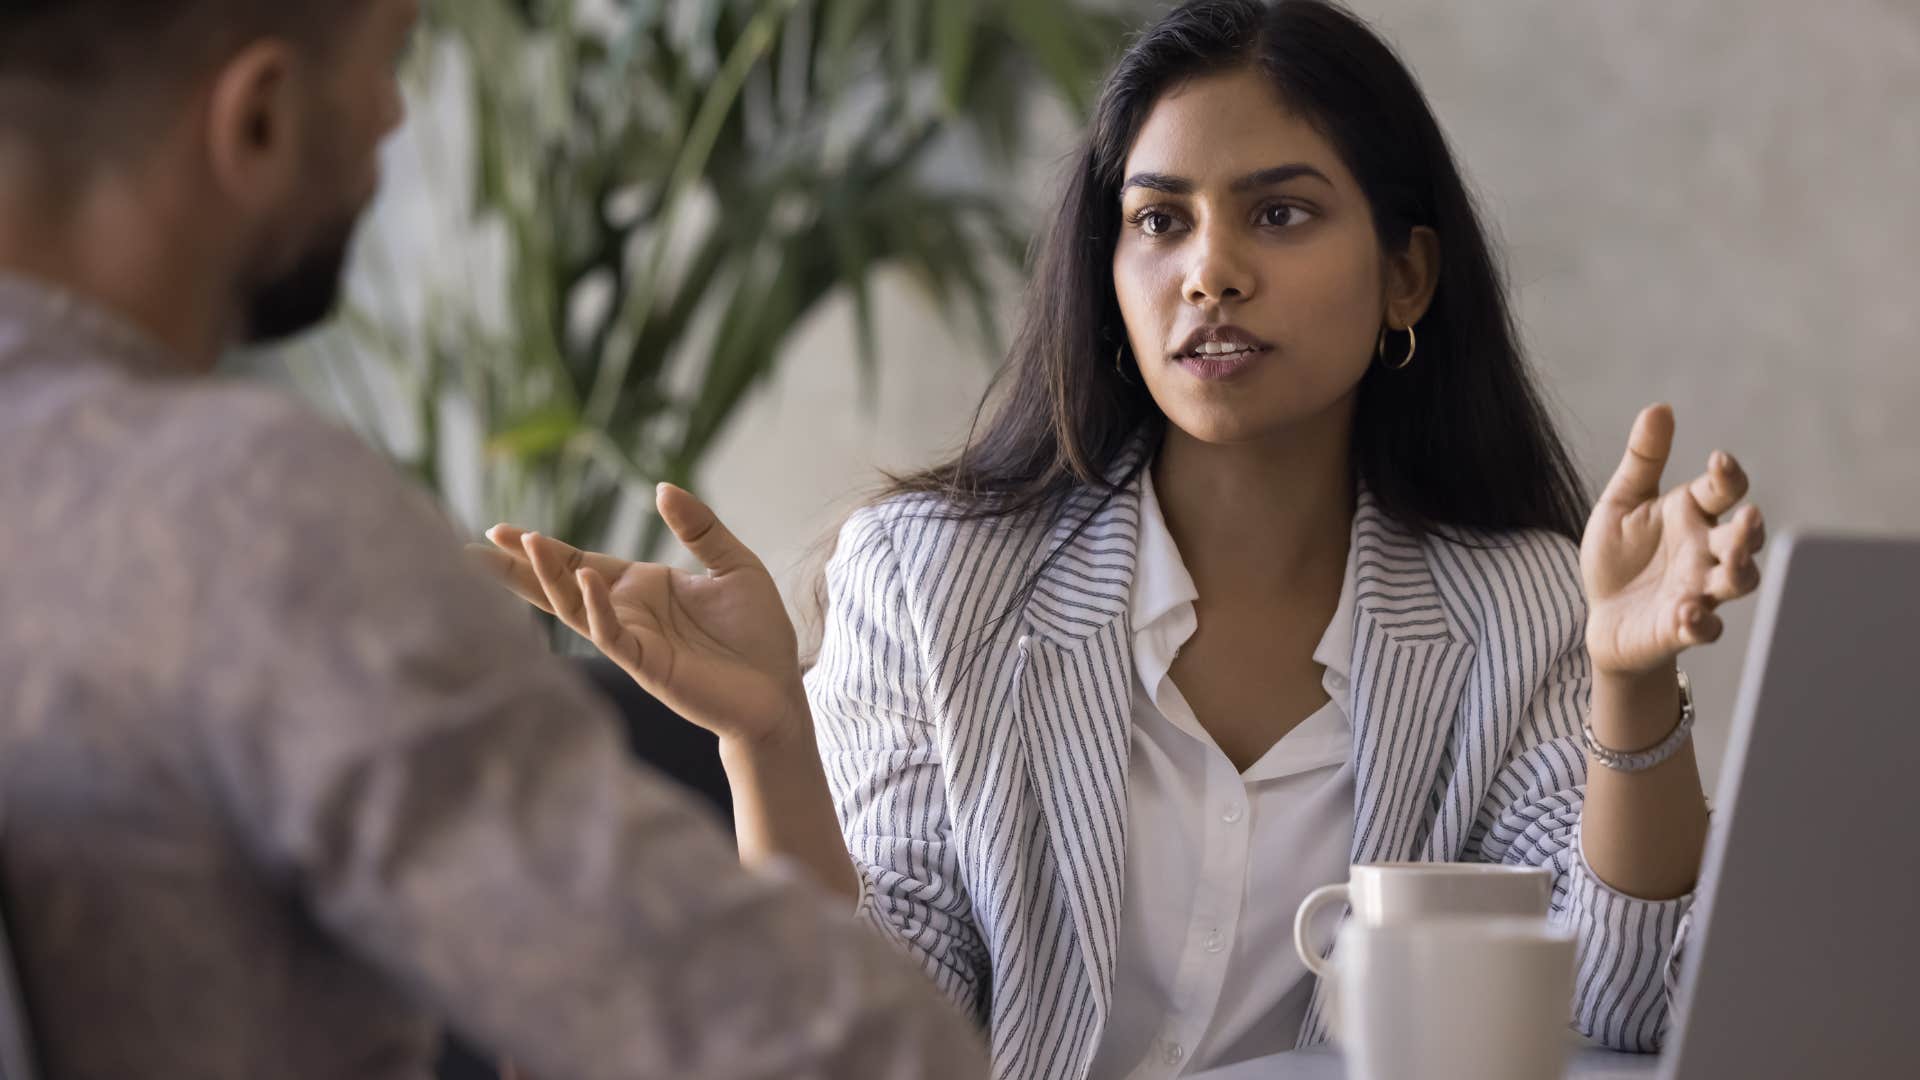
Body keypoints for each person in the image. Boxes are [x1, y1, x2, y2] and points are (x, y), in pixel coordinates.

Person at [476, 1, 1769, 1078]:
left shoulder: (1515, 607)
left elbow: (1621, 1008)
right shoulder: (927, 578)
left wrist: (1631, 684)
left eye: (1279, 213)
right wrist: (767, 741)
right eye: (1160, 221)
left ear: (1406, 276)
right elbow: (865, 1036)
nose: (1210, 272)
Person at [0, 2, 990, 1078]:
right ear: (259, 119)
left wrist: (771, 739)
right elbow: (835, 1054)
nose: (393, 116)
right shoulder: (245, 519)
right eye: (386, 65)